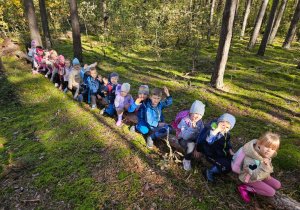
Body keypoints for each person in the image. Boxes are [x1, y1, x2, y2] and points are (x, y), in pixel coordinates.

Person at [237, 132, 281, 202]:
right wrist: (265, 167)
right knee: (271, 192)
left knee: (277, 185)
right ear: (259, 143)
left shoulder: (266, 154)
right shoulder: (250, 158)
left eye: (273, 149)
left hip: (261, 174)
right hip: (250, 178)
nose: (269, 150)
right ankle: (246, 188)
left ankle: (261, 184)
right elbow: (255, 175)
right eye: (267, 146)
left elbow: (269, 167)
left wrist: (268, 172)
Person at [195, 113, 236, 182]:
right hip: (212, 154)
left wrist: (230, 149)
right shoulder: (212, 130)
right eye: (222, 125)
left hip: (222, 152)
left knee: (234, 160)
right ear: (218, 123)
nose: (224, 128)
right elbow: (208, 140)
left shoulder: (226, 133)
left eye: (227, 127)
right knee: (227, 166)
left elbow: (227, 142)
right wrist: (217, 130)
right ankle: (209, 171)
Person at [177, 100, 205, 171]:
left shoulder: (200, 122)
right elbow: (185, 137)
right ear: (191, 113)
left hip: (194, 139)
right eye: (195, 114)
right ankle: (186, 160)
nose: (197, 117)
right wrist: (192, 128)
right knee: (191, 144)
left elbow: (201, 134)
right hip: (183, 139)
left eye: (200, 115)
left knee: (204, 142)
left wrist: (198, 148)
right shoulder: (184, 121)